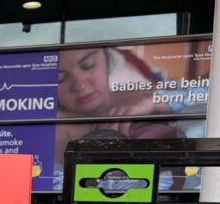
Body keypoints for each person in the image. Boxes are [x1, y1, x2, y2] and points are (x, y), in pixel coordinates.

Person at [54, 46, 183, 155]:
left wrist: (159, 102)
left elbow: (200, 95)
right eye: (59, 77)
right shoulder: (52, 129)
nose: (80, 86)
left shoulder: (149, 96)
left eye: (88, 65)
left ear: (107, 58)